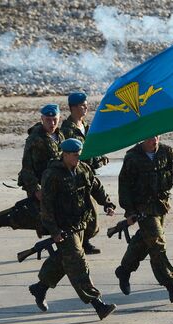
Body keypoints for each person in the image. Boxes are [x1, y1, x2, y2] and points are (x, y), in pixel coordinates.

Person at [28, 138, 117, 320]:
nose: (78, 157)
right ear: (65, 154)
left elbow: (96, 187)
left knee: (64, 260)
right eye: (75, 155)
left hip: (80, 226)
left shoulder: (83, 169)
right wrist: (53, 231)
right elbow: (46, 206)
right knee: (78, 263)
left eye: (79, 154)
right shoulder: (52, 175)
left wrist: (107, 203)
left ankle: (40, 287)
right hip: (63, 228)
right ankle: (98, 304)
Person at [114, 135, 173, 303]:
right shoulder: (132, 157)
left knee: (145, 242)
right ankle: (171, 286)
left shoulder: (167, 152)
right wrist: (129, 211)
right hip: (143, 209)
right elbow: (124, 186)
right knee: (157, 245)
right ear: (142, 138)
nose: (154, 140)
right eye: (150, 137)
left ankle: (124, 269)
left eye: (157, 136)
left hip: (161, 207)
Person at [0, 104, 65, 237]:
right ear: (42, 119)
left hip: (54, 185)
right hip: (40, 186)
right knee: (30, 218)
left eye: (55, 120)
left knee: (55, 219)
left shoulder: (59, 135)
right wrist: (36, 190)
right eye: (48, 120)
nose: (52, 123)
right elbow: (26, 169)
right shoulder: (35, 139)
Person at [60, 92, 109, 255]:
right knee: (83, 212)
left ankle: (83, 241)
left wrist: (101, 158)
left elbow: (92, 148)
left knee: (89, 213)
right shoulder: (66, 130)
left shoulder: (86, 127)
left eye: (86, 104)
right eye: (82, 105)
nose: (86, 107)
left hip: (88, 175)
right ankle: (79, 242)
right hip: (75, 176)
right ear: (73, 108)